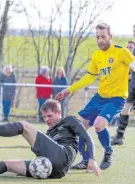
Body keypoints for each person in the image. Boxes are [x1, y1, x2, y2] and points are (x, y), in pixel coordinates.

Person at [0, 99, 100, 178]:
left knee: (25, 125)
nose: (47, 119)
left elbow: (87, 138)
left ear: (59, 113)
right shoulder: (49, 134)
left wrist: (91, 158)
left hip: (63, 156)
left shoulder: (70, 120)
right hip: (53, 171)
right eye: (44, 116)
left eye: (50, 116)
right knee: (7, 164)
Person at [55, 23, 135, 170]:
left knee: (99, 125)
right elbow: (90, 77)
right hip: (100, 97)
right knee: (81, 126)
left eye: (103, 37)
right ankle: (86, 160)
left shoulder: (122, 52)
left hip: (117, 98)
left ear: (110, 36)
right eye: (97, 37)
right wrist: (70, 89)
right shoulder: (97, 55)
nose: (100, 40)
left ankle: (109, 151)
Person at [111, 40, 135, 145]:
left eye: (131, 47)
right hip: (131, 85)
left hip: (132, 84)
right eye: (128, 47)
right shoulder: (126, 56)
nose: (129, 48)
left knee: (127, 107)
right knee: (126, 107)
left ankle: (119, 136)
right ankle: (119, 135)